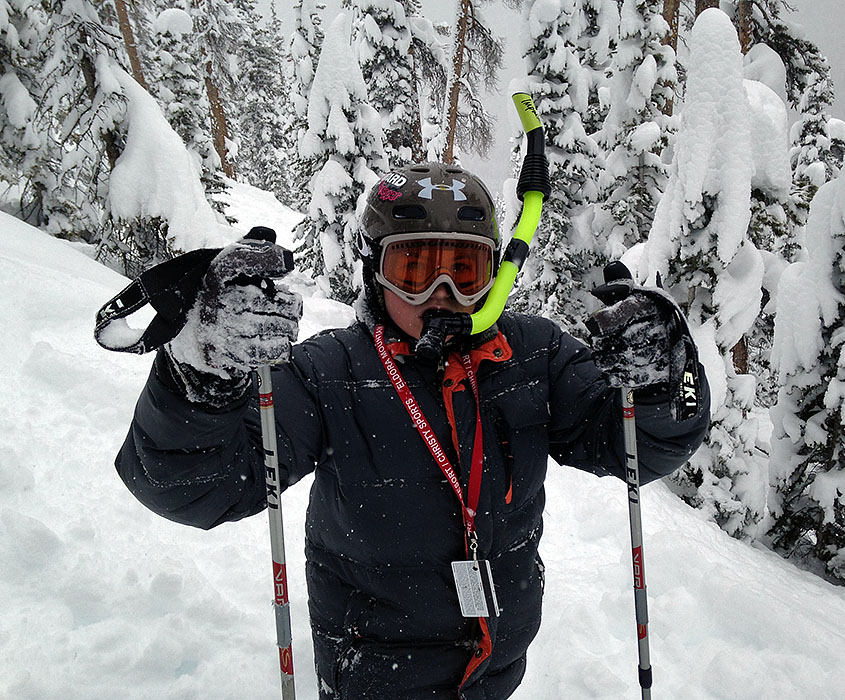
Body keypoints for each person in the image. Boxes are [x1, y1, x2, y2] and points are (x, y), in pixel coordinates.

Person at [116, 162, 710, 700]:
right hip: (374, 677)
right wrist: (202, 375)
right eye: (415, 270)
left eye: (465, 270)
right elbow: (191, 485)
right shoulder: (333, 372)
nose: (441, 295)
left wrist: (667, 379)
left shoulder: (536, 356)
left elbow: (639, 445)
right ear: (375, 271)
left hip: (494, 672)